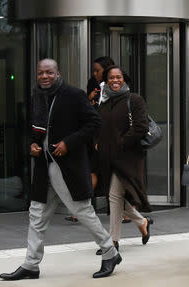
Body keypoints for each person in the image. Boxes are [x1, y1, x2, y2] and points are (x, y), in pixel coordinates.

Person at [0, 59, 121, 280]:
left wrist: (69, 143)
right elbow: (36, 130)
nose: (44, 76)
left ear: (58, 73)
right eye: (40, 73)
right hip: (44, 167)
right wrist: (33, 145)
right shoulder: (37, 96)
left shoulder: (73, 95)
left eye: (49, 72)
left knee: (82, 211)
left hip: (67, 167)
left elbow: (94, 123)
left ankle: (110, 252)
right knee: (36, 215)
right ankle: (31, 264)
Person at [95, 65, 153, 255]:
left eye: (118, 77)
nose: (115, 80)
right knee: (118, 197)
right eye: (111, 78)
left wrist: (121, 142)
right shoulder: (104, 103)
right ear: (107, 81)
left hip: (128, 157)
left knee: (113, 196)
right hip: (108, 157)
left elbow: (141, 127)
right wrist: (97, 142)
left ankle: (112, 242)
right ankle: (141, 222)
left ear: (124, 79)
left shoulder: (134, 99)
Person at [65, 56, 115, 223]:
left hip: (110, 137)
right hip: (94, 137)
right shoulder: (94, 85)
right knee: (92, 172)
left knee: (115, 174)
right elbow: (87, 111)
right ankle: (79, 211)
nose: (94, 74)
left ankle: (128, 212)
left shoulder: (116, 86)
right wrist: (90, 99)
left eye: (97, 71)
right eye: (93, 71)